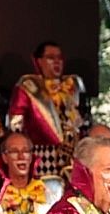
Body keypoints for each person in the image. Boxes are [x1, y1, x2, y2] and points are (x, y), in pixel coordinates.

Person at [7, 41, 85, 176]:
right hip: (43, 152)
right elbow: (15, 123)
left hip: (74, 152)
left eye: (59, 58)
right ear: (39, 61)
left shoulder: (73, 85)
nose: (56, 61)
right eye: (51, 57)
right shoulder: (28, 86)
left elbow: (84, 117)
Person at [0, 131, 58, 214]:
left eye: (25, 151)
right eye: (14, 151)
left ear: (31, 157)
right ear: (4, 157)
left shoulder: (49, 191)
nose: (21, 156)